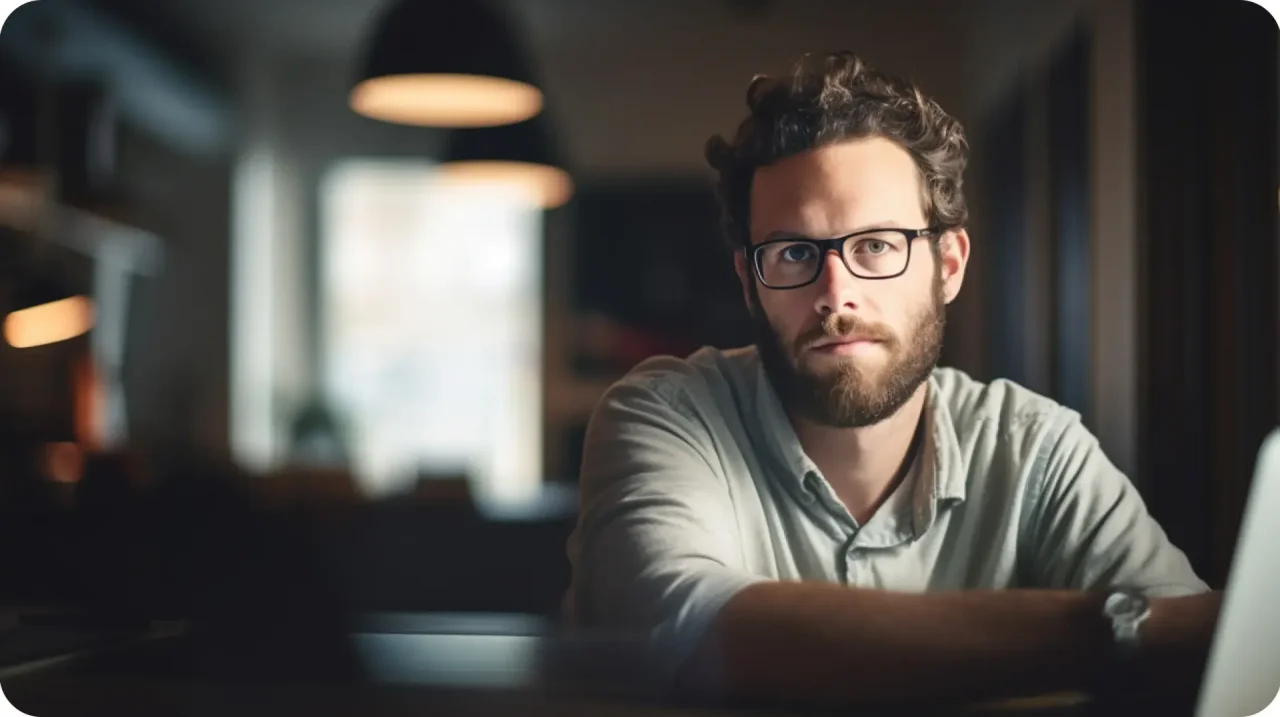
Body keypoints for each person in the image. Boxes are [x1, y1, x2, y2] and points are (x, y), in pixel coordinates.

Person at [564, 51, 1222, 708]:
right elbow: (691, 633)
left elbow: (1209, 661)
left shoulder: (1036, 453)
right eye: (794, 252)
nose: (836, 295)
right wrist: (1114, 627)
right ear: (748, 280)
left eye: (876, 244)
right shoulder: (666, 417)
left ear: (951, 264)